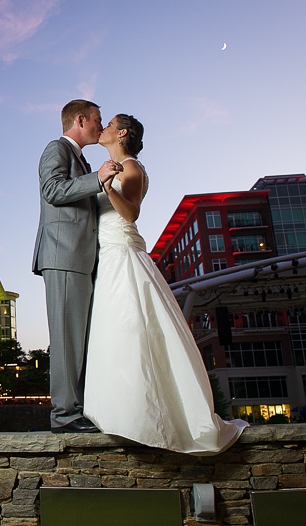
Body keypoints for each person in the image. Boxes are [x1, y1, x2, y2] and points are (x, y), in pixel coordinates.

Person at [82, 114, 247, 454]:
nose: (105, 128)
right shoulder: (113, 166)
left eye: (110, 124)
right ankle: (120, 414)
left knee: (133, 329)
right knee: (115, 332)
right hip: (109, 254)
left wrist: (104, 186)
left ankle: (148, 420)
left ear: (122, 132)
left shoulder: (131, 168)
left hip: (124, 253)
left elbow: (130, 213)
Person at [32, 99, 122, 433]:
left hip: (83, 260)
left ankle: (79, 409)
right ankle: (64, 415)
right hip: (63, 256)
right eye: (98, 120)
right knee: (67, 339)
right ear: (81, 120)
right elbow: (52, 190)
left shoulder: (83, 161)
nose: (100, 126)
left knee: (81, 340)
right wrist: (97, 178)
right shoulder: (57, 148)